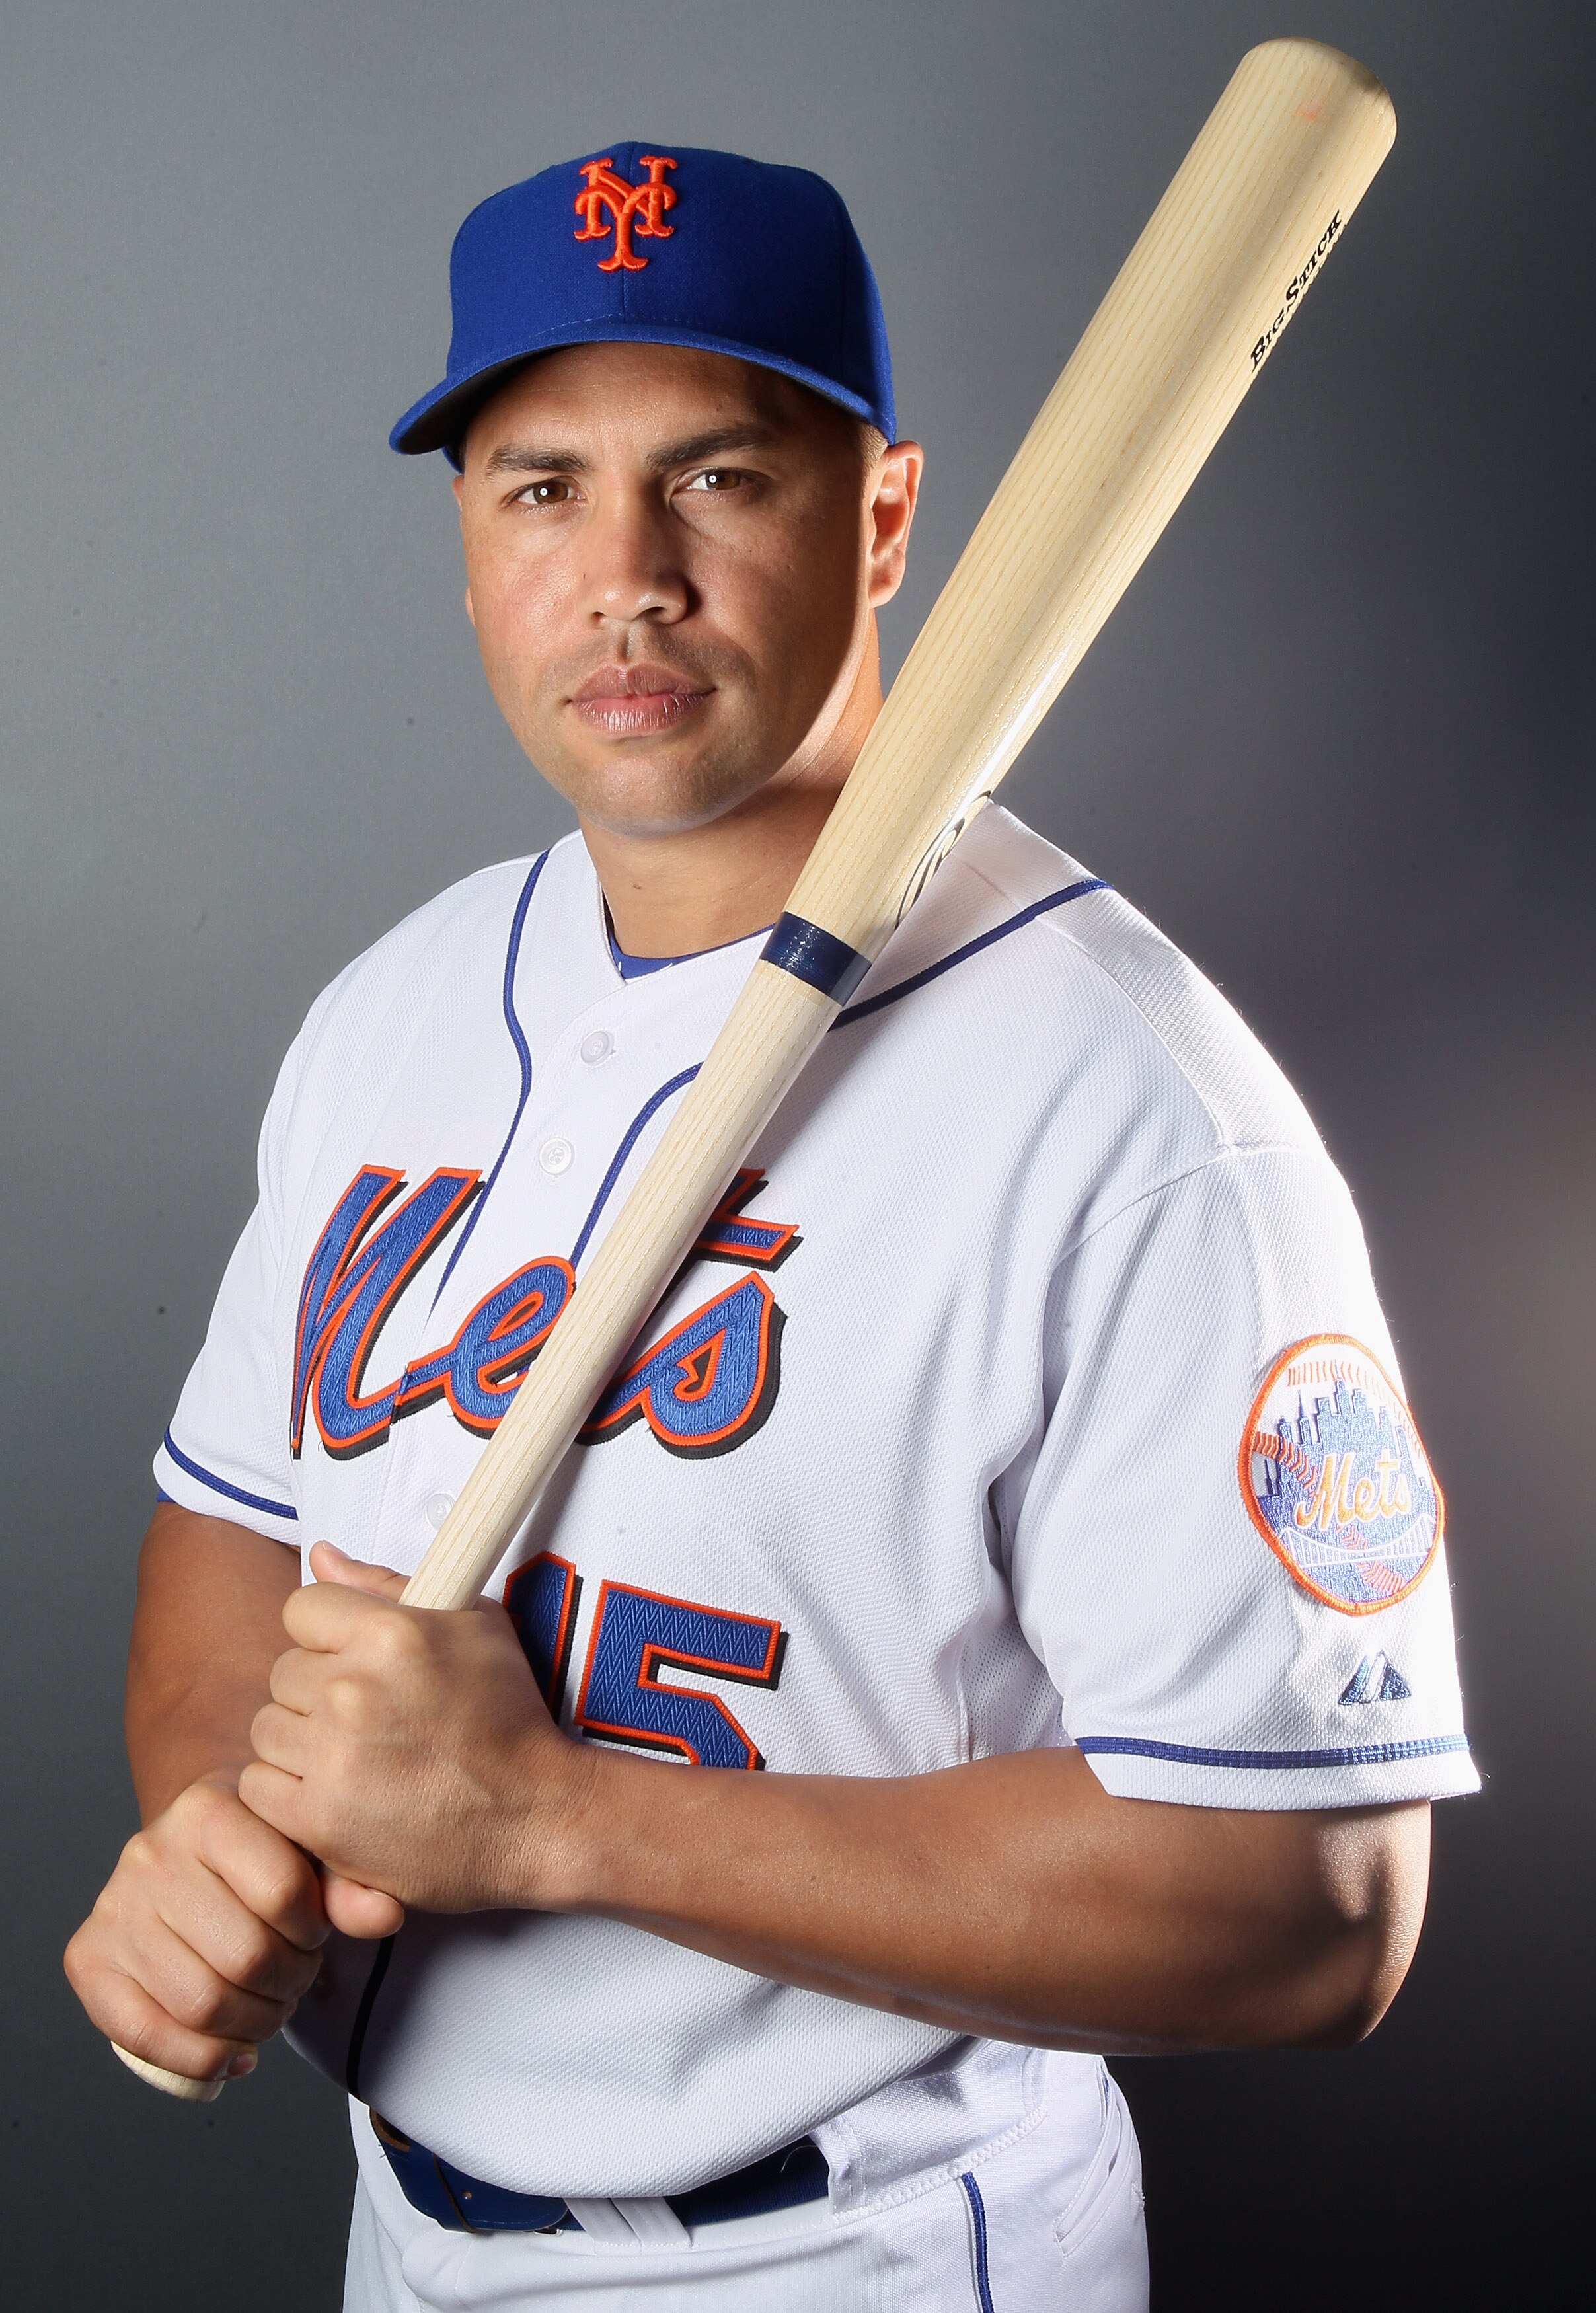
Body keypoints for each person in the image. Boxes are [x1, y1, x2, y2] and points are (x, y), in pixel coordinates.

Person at [64, 144, 1477, 2312]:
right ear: (468, 548)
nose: (624, 575)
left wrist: (548, 1818)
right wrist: (214, 1839)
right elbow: (229, 1545)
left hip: (861, 2246)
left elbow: (1314, 1898)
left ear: (888, 516)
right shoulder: (399, 1006)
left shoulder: (1137, 1109)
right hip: (402, 2228)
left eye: (717, 478)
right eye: (542, 487)